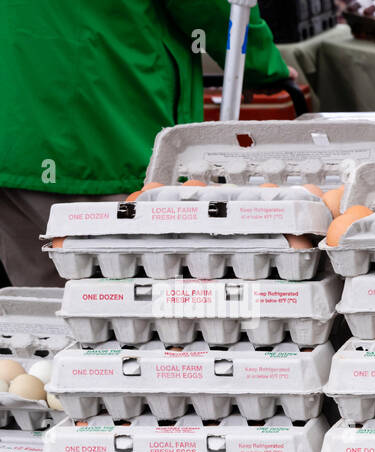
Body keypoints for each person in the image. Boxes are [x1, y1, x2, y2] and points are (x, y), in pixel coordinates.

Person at [0, 0, 292, 286]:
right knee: (137, 306)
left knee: (45, 309)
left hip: (15, 141)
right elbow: (216, 10)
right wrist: (263, 64)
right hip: (108, 141)